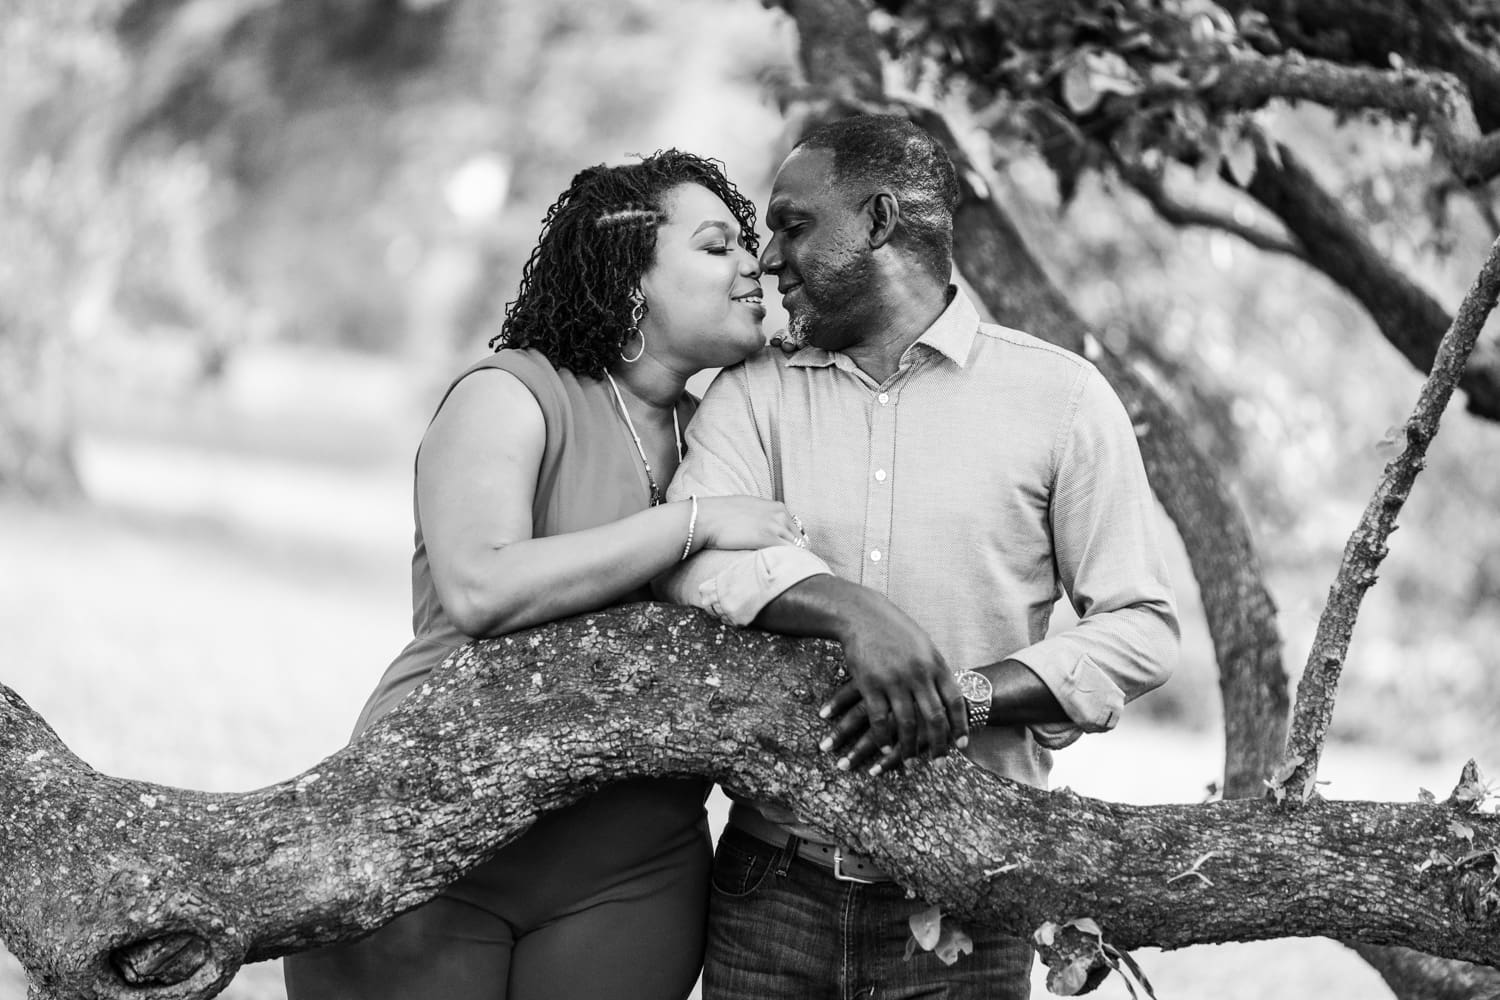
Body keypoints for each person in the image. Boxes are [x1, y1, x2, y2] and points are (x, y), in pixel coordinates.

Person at [661, 115, 1180, 999]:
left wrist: (967, 698)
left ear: (879, 219)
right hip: (769, 890)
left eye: (792, 225)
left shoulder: (1061, 400)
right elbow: (692, 558)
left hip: (970, 900)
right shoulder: (751, 395)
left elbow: (1141, 629)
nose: (769, 261)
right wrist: (853, 611)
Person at [284, 149, 805, 1000]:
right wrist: (691, 524)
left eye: (747, 244)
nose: (757, 263)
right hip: (434, 833)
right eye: (717, 247)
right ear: (630, 280)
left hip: (630, 876)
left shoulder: (728, 435)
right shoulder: (513, 395)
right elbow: (483, 590)